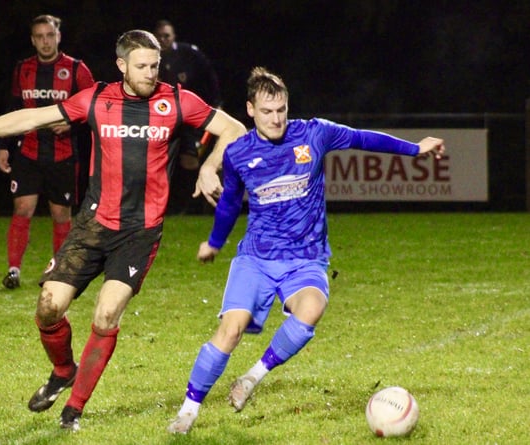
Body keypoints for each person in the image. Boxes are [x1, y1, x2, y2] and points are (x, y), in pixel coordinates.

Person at [0, 30, 247, 432]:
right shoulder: (97, 99)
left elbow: (234, 128)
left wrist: (208, 165)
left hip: (139, 231)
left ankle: (73, 411)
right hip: (92, 226)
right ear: (122, 66)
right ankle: (63, 371)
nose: (151, 73)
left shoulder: (178, 100)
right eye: (143, 66)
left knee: (107, 314)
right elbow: (32, 117)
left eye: (155, 66)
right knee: (48, 307)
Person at [167, 67, 446, 434]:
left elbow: (361, 138)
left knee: (312, 308)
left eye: (281, 109)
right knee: (230, 331)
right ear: (250, 110)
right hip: (257, 258)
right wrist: (215, 242)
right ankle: (188, 412)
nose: (276, 118)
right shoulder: (238, 153)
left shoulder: (313, 133)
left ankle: (252, 377)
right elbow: (231, 202)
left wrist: (414, 149)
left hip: (307, 258)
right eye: (267, 111)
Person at [0, 14, 95, 289]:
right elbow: (13, 110)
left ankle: (58, 271)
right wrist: (4, 146)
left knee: (60, 214)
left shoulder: (77, 70)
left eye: (49, 35)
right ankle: (14, 270)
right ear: (33, 40)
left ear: (58, 37)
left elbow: (93, 110)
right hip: (28, 151)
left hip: (62, 155)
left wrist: (71, 126)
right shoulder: (23, 69)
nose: (45, 41)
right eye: (39, 36)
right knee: (22, 207)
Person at [154, 19, 223, 214]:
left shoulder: (188, 54)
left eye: (166, 35)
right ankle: (164, 205)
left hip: (188, 118)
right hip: (160, 119)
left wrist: (216, 102)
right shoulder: (149, 57)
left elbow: (209, 75)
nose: (163, 39)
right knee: (159, 162)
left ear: (173, 36)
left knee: (190, 160)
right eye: (159, 36)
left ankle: (193, 205)